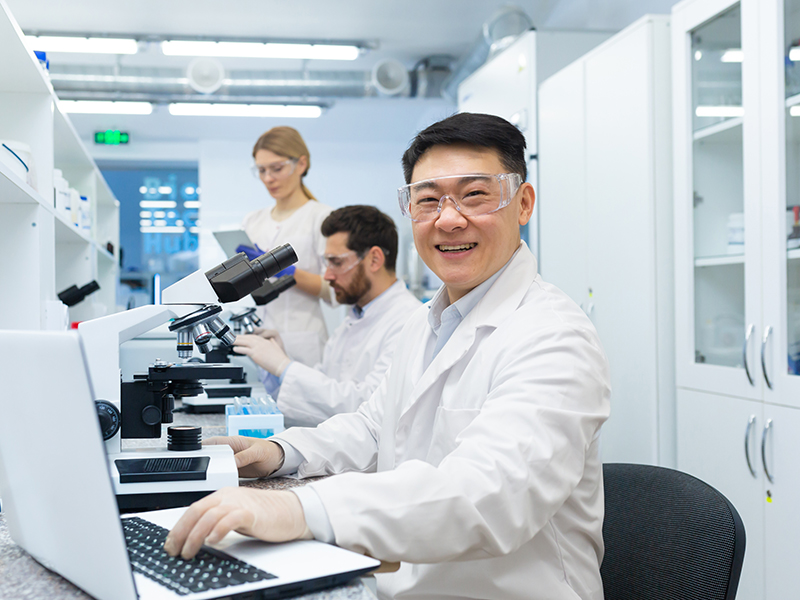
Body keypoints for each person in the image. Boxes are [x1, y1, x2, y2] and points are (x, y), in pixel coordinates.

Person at [165, 113, 611, 600]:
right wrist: (279, 454)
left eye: (475, 194)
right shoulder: (429, 321)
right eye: (427, 200)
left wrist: (301, 509)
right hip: (408, 581)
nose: (448, 218)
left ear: (522, 203)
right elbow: (373, 427)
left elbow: (490, 496)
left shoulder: (554, 335)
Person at [234, 205, 421, 427]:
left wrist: (284, 366)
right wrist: (276, 364)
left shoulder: (410, 321)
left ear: (374, 259)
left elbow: (368, 406)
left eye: (337, 262)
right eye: (326, 262)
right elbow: (321, 394)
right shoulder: (354, 318)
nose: (327, 275)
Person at [240, 126, 334, 367]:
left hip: (304, 343)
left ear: (301, 164)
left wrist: (287, 271)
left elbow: (334, 290)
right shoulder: (253, 221)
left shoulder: (323, 218)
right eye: (261, 170)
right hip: (259, 338)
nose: (268, 178)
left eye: (276, 168)